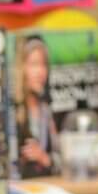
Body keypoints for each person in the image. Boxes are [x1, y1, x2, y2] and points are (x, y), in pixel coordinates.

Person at [15, 35, 59, 178]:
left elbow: (61, 163)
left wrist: (44, 158)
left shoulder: (46, 111)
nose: (41, 72)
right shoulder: (11, 112)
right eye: (34, 64)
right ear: (21, 68)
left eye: (44, 64)